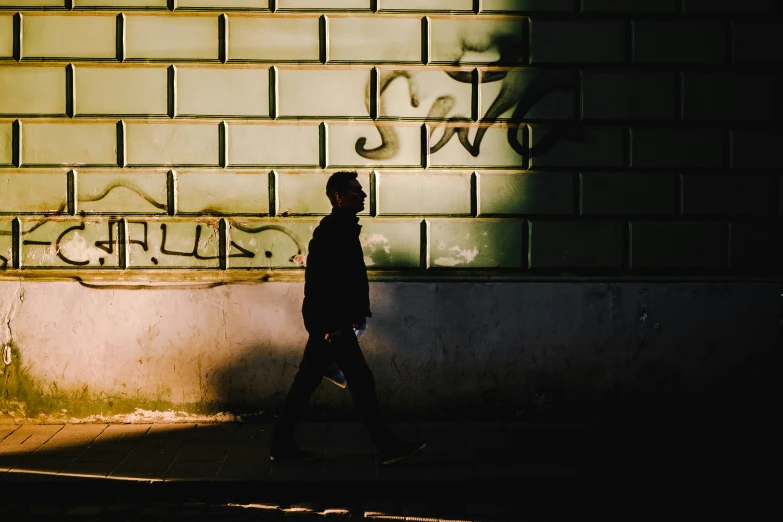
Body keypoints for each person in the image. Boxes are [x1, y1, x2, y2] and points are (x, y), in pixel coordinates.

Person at [270, 171, 426, 465]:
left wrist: (353, 315)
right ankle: (387, 446)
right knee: (360, 382)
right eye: (356, 191)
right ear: (339, 197)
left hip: (333, 325)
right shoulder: (332, 232)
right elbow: (321, 284)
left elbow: (345, 280)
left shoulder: (342, 229)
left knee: (307, 383)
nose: (363, 195)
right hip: (333, 327)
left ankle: (280, 444)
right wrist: (331, 326)